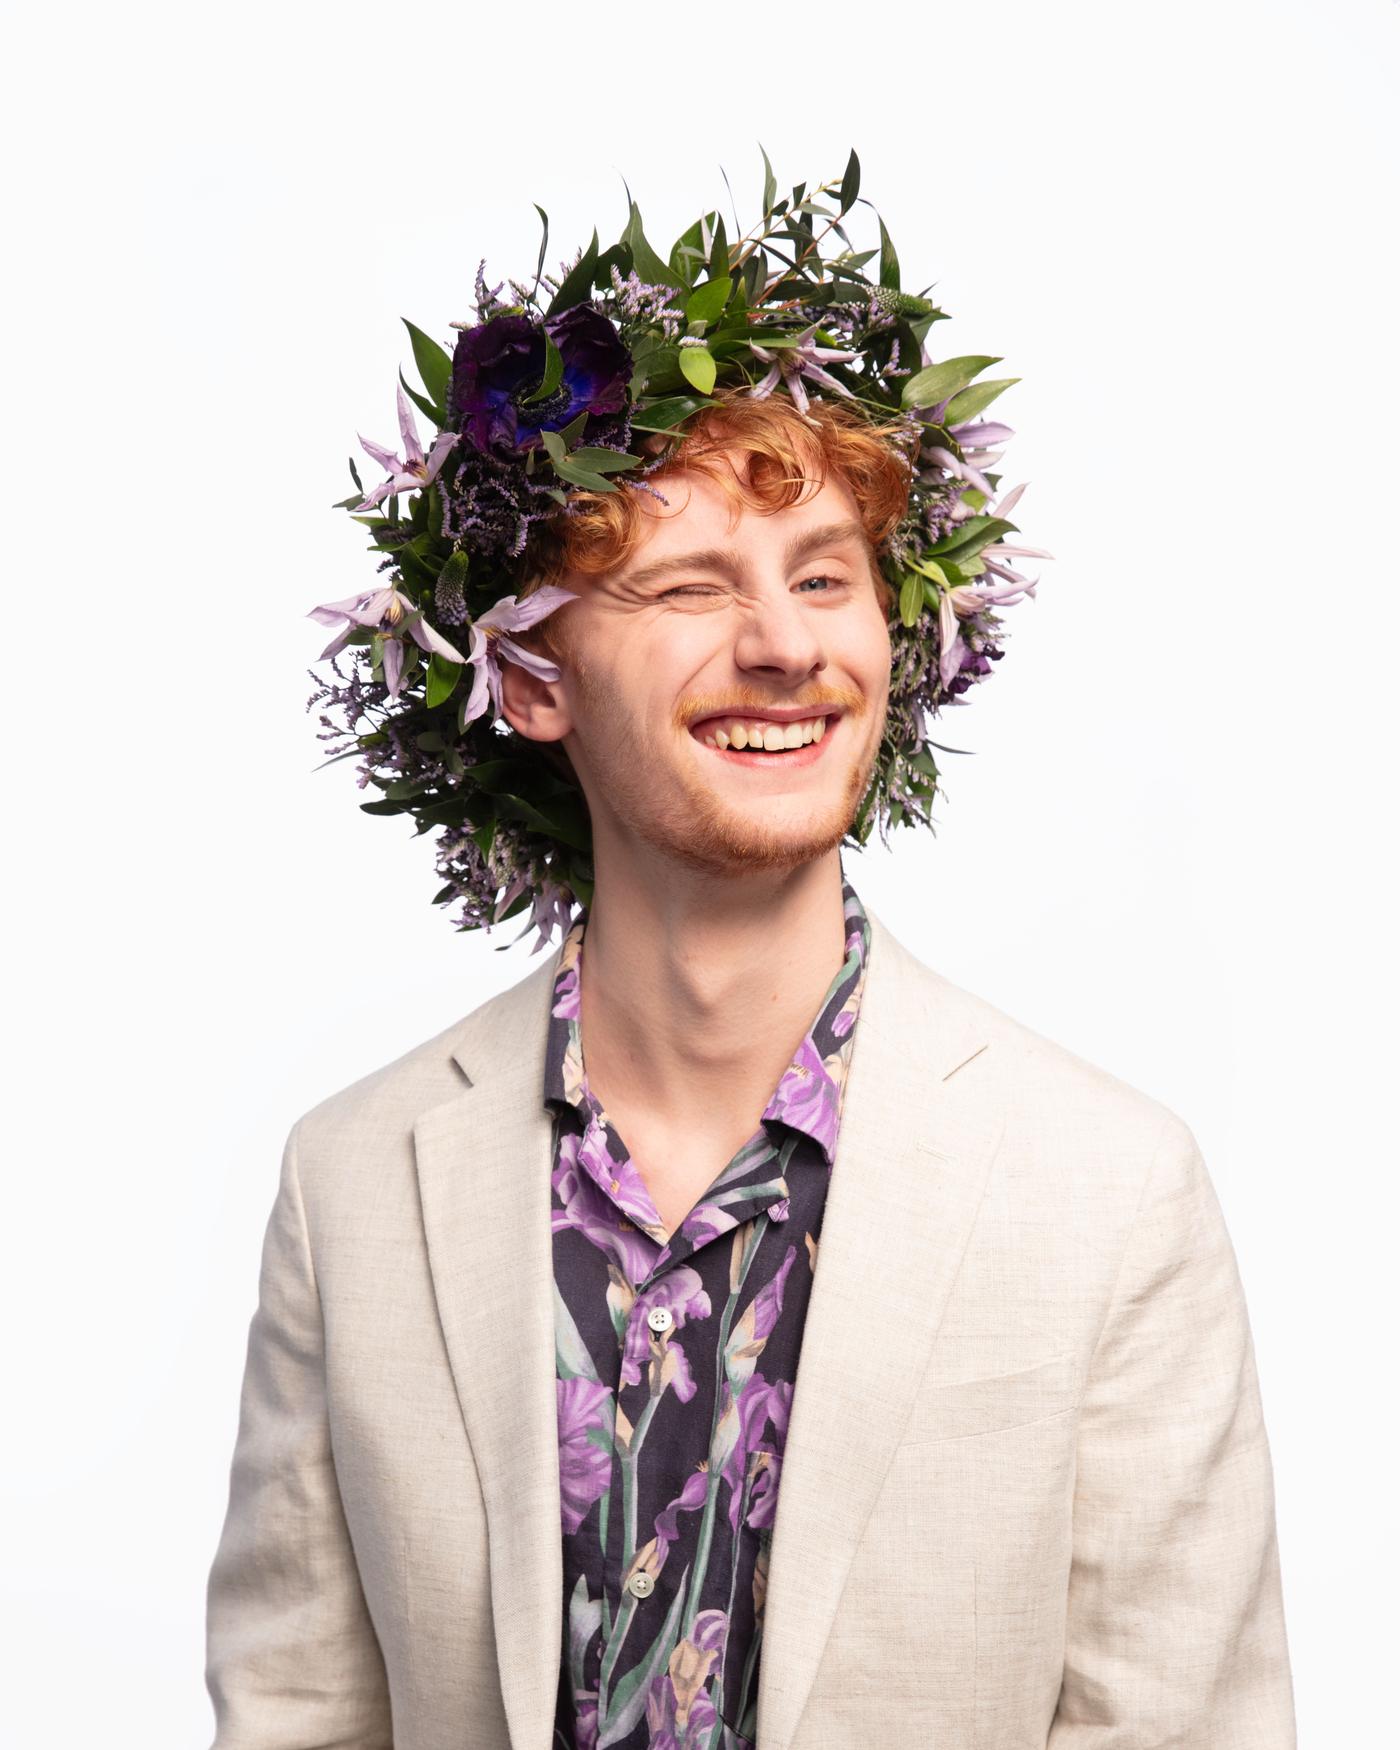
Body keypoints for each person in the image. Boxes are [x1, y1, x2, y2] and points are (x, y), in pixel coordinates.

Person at [205, 167, 1296, 1750]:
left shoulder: (1111, 1194)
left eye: (825, 577)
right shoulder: (355, 1184)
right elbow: (296, 1717)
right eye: (693, 585)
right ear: (525, 679)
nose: (784, 644)